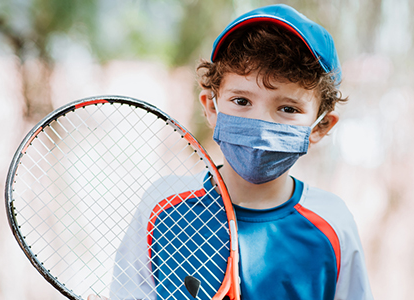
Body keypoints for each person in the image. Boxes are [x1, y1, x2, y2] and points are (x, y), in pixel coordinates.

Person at [94, 4, 373, 300]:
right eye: (241, 101)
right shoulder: (162, 207)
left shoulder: (333, 225)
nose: (261, 125)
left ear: (320, 126)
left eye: (288, 109)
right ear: (211, 107)